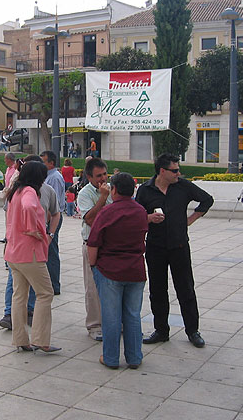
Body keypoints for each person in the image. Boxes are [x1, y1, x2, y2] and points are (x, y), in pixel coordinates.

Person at [136, 153, 213, 348]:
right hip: (155, 246)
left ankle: (193, 330)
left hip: (179, 246)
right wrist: (149, 218)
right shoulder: (145, 190)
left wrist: (190, 220)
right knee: (157, 290)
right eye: (174, 170)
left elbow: (207, 200)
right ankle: (161, 330)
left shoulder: (183, 186)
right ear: (162, 171)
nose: (178, 173)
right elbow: (136, 215)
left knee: (185, 288)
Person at [87, 173, 148, 369]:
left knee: (111, 317)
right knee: (132, 315)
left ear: (114, 190)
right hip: (135, 269)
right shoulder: (140, 212)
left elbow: (93, 243)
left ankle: (111, 358)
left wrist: (93, 266)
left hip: (110, 270)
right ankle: (134, 357)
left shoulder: (107, 212)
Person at [5, 160, 60, 353]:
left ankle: (20, 339)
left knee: (19, 296)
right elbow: (29, 207)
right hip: (30, 252)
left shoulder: (15, 191)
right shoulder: (29, 192)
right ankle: (40, 339)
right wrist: (35, 229)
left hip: (13, 251)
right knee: (45, 293)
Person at [77, 157, 112, 341]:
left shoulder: (113, 189)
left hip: (112, 244)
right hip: (92, 244)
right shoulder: (85, 194)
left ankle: (114, 322)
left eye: (105, 174)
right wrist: (103, 198)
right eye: (98, 176)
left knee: (113, 285)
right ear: (89, 177)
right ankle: (94, 325)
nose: (103, 179)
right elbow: (89, 219)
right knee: (93, 286)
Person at [40, 150, 66, 295]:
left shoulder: (54, 178)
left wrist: (47, 223)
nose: (41, 164)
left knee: (51, 251)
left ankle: (54, 285)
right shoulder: (48, 177)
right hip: (48, 218)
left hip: (52, 218)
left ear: (51, 163)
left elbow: (52, 206)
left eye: (43, 161)